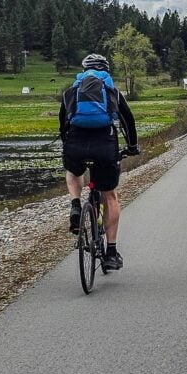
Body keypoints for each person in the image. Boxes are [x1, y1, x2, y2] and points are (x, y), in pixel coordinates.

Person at [59, 53, 140, 270]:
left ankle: (76, 205)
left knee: (72, 171)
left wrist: (68, 146)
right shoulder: (112, 91)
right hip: (104, 143)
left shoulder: (72, 91)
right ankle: (111, 252)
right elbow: (128, 121)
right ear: (106, 71)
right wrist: (132, 147)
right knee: (110, 195)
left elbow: (63, 124)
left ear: (84, 70)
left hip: (76, 141)